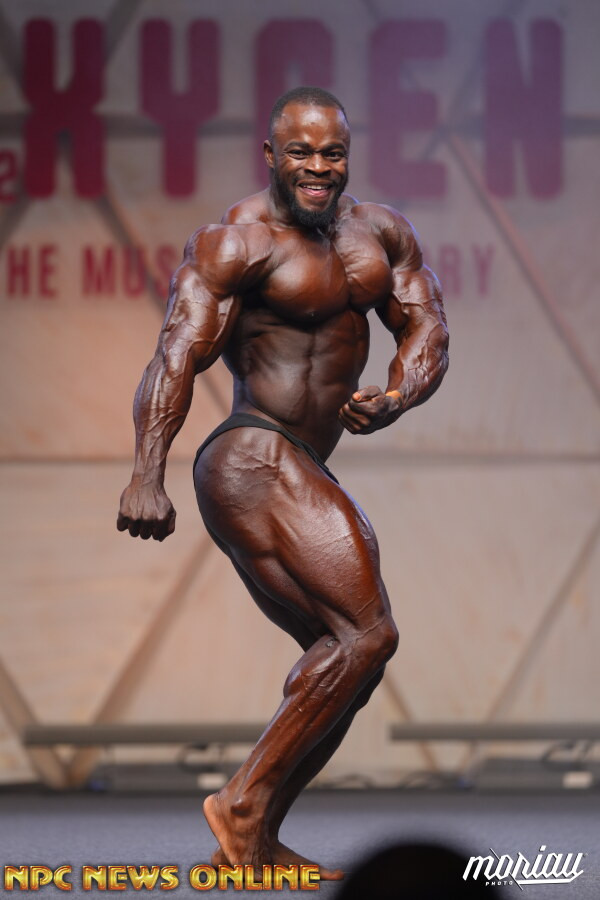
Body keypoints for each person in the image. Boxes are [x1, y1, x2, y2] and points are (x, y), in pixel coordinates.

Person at [117, 86, 449, 878]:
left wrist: (399, 394)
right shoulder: (237, 242)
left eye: (331, 153)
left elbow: (428, 327)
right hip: (250, 455)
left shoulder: (382, 234)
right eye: (300, 152)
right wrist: (145, 473)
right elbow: (177, 350)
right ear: (270, 154)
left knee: (349, 660)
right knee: (368, 634)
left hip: (301, 461)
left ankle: (253, 840)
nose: (317, 167)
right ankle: (242, 803)